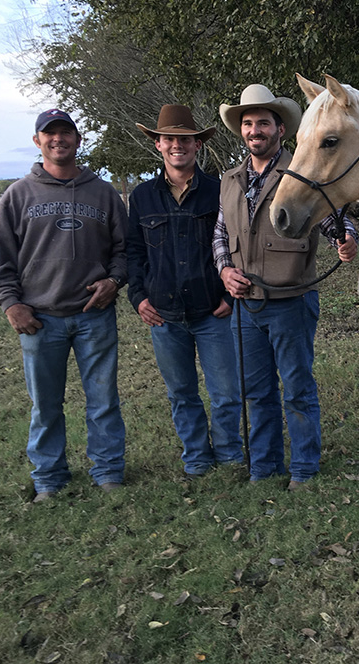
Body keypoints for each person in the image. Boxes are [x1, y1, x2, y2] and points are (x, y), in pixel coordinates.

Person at [214, 84, 358, 490]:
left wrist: (345, 239)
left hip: (291, 302)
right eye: (248, 123)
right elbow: (220, 235)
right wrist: (225, 270)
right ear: (240, 131)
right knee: (257, 392)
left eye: (263, 122)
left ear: (280, 129)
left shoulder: (302, 171)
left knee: (296, 389)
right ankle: (264, 468)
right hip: (246, 307)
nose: (255, 130)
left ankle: (304, 470)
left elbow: (335, 221)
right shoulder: (229, 180)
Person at [0, 109, 128, 502]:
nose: (58, 139)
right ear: (37, 141)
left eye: (66, 133)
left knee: (103, 400)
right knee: (45, 405)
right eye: (50, 134)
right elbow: (0, 260)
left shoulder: (103, 193)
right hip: (39, 319)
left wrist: (114, 281)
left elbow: (124, 250)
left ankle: (108, 470)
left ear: (78, 141)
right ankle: (48, 477)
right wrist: (11, 305)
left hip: (93, 315)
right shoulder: (18, 194)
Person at [127, 105, 244, 477]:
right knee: (182, 394)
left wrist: (229, 296)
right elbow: (133, 252)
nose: (178, 145)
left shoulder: (219, 190)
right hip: (164, 314)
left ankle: (228, 453)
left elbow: (234, 243)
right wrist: (138, 297)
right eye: (170, 139)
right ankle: (196, 456)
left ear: (197, 146)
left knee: (226, 393)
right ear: (159, 145)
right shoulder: (142, 197)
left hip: (213, 311)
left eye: (186, 139)